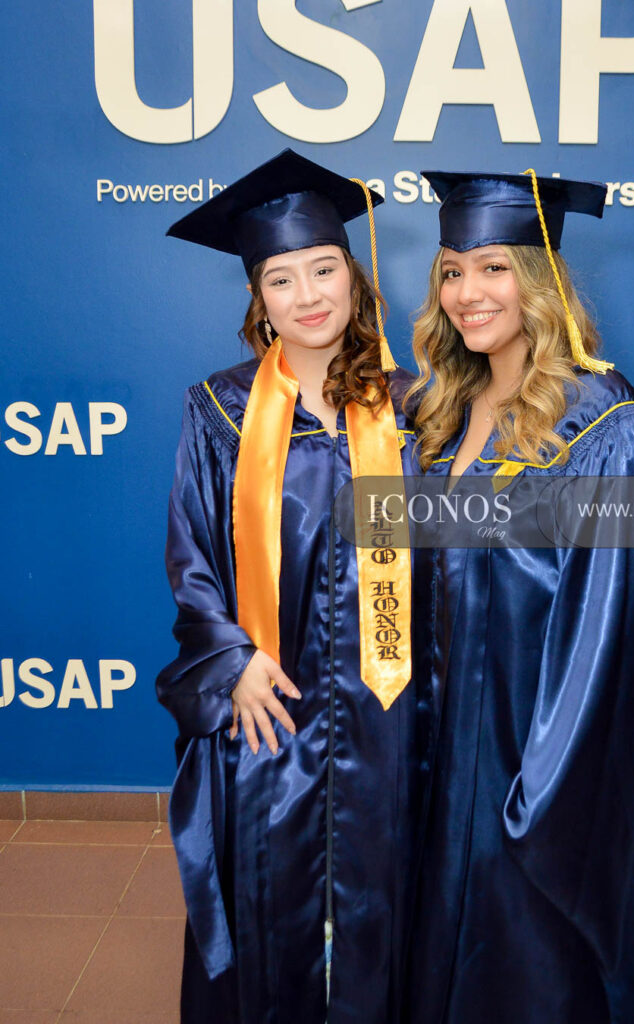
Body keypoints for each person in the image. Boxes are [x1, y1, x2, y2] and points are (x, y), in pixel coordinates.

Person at [402, 169, 634, 1022]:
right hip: (437, 752)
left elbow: (612, 641)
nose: (469, 292)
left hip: (531, 761)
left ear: (539, 283)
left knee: (531, 969)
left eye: (494, 268)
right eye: (452, 270)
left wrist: (537, 794)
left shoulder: (606, 431)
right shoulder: (432, 417)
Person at [156, 149, 419, 1024]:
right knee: (273, 893)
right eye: (281, 278)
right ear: (257, 298)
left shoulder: (418, 407)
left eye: (323, 267)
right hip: (272, 697)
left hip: (396, 707)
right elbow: (192, 555)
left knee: (392, 889)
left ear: (354, 274)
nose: (308, 294)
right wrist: (229, 662)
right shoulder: (217, 410)